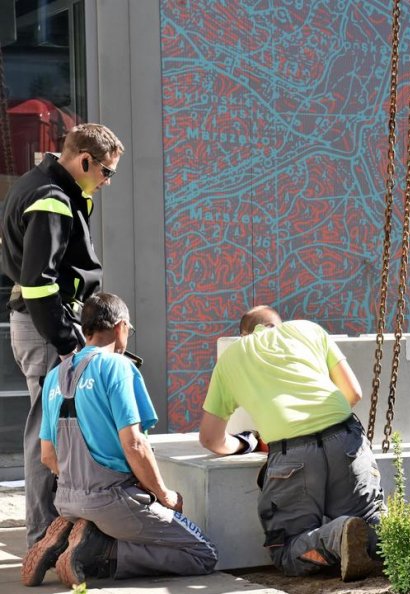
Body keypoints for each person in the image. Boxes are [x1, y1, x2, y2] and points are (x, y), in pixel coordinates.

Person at [21, 292, 217, 587]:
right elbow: (135, 445)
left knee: (129, 527)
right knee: (202, 553)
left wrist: (81, 486)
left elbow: (47, 456)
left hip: (67, 500)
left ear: (86, 328)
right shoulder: (118, 367)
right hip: (112, 500)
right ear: (121, 326)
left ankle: (77, 539)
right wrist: (165, 496)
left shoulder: (54, 377)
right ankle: (98, 551)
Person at [1, 123, 124, 548]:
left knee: (54, 427)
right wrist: (69, 343)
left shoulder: (40, 186)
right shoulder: (52, 199)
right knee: (47, 430)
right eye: (106, 172)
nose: (106, 182)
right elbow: (38, 283)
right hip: (47, 329)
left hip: (42, 325)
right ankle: (42, 537)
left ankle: (51, 530)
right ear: (84, 160)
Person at [199, 305, 384, 581]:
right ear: (279, 324)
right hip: (345, 439)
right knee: (373, 521)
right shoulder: (309, 329)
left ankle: (338, 536)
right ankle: (398, 542)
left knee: (285, 549)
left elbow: (211, 439)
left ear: (243, 334)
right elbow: (353, 393)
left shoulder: (232, 357)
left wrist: (242, 443)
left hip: (292, 455)